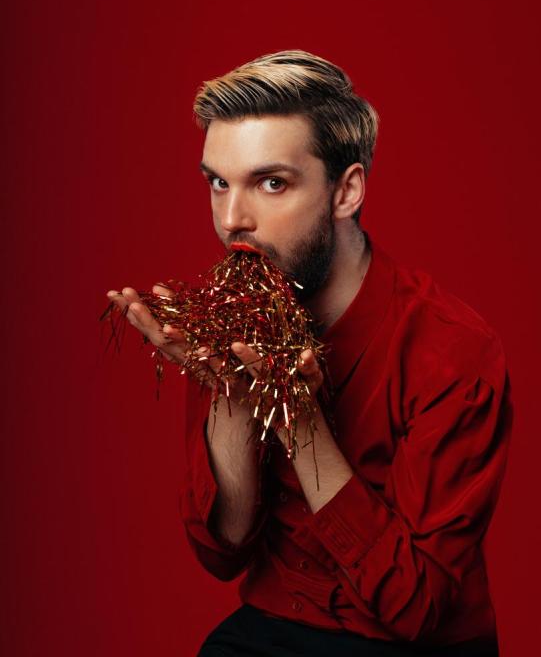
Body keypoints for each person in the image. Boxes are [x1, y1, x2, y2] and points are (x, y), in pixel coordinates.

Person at [107, 50, 513, 656]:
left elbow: (417, 606)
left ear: (346, 191)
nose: (232, 220)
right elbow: (224, 550)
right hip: (272, 631)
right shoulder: (237, 319)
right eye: (218, 182)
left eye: (272, 183)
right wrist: (234, 400)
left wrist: (293, 414)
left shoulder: (451, 350)